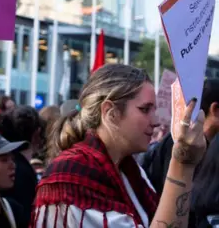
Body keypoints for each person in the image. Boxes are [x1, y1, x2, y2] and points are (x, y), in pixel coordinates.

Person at [33, 64, 207, 228]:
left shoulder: (129, 170)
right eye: (145, 109)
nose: (155, 121)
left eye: (154, 110)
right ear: (111, 112)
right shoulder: (72, 174)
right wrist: (182, 165)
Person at [0, 105, 44, 226]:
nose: (10, 165)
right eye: (4, 160)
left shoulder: (13, 165)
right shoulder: (21, 170)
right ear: (37, 133)